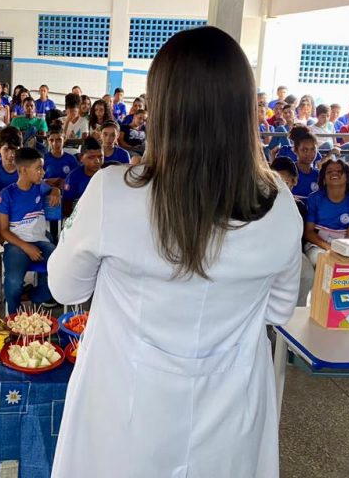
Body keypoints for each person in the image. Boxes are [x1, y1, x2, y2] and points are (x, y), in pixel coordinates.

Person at [47, 26, 301, 477]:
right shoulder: (278, 203)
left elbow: (64, 284)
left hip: (127, 407)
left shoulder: (114, 193)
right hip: (231, 409)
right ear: (243, 110)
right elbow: (279, 309)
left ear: (162, 108)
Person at [0, 147, 60, 313]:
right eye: (38, 168)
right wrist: (27, 247)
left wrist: (55, 191)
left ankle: (32, 295)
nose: (43, 172)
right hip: (16, 244)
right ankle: (14, 317)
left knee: (61, 269)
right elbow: (3, 231)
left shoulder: (40, 187)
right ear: (23, 170)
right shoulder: (7, 194)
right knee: (14, 282)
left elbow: (53, 187)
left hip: (41, 241)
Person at [303, 159, 349, 267]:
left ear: (348, 177)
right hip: (317, 246)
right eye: (329, 171)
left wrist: (343, 252)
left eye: (339, 171)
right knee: (324, 260)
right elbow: (309, 232)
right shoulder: (314, 198)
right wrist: (329, 249)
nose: (334, 173)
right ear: (324, 179)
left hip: (344, 248)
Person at [271, 156, 315, 306]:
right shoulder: (261, 205)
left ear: (294, 181)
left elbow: (299, 238)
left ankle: (297, 310)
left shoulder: (299, 207)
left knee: (307, 273)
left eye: (286, 182)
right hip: (266, 251)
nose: (281, 187)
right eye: (276, 181)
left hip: (292, 253)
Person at [62, 137, 103, 217]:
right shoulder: (72, 178)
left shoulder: (107, 175)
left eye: (100, 157)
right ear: (81, 158)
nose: (97, 161)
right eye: (91, 157)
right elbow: (66, 207)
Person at [291, 131, 319, 199]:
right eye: (305, 150)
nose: (309, 153)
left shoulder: (319, 175)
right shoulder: (289, 172)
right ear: (296, 151)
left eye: (313, 149)